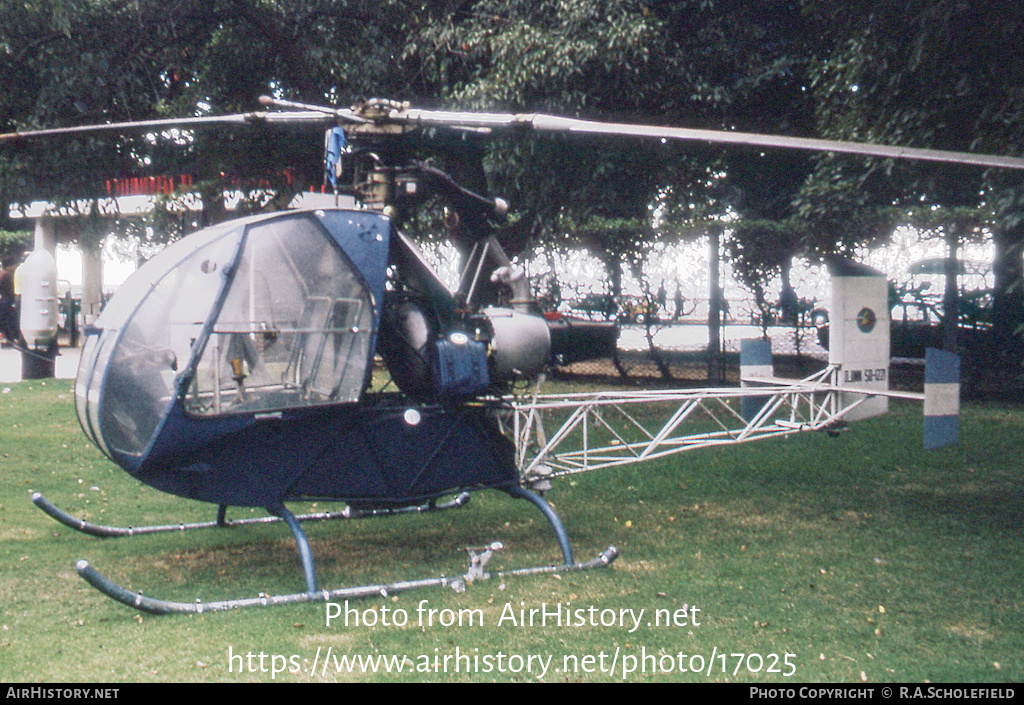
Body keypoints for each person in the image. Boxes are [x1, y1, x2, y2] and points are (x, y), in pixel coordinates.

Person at [0, 255, 22, 347]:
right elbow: (10, 290)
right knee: (9, 321)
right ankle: (11, 340)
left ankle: (7, 339)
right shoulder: (8, 275)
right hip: (6, 301)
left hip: (2, 300)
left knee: (4, 321)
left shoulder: (1, 273)